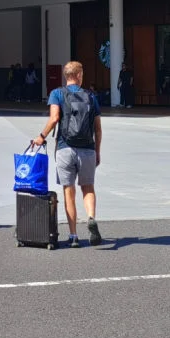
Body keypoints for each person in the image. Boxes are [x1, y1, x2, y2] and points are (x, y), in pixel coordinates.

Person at [34, 61, 103, 247]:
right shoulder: (91, 96)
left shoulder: (57, 93)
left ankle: (73, 236)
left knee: (68, 191)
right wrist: (97, 151)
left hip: (65, 148)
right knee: (88, 188)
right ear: (80, 75)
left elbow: (55, 118)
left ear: (66, 76)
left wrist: (41, 136)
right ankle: (90, 217)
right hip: (87, 149)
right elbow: (98, 129)